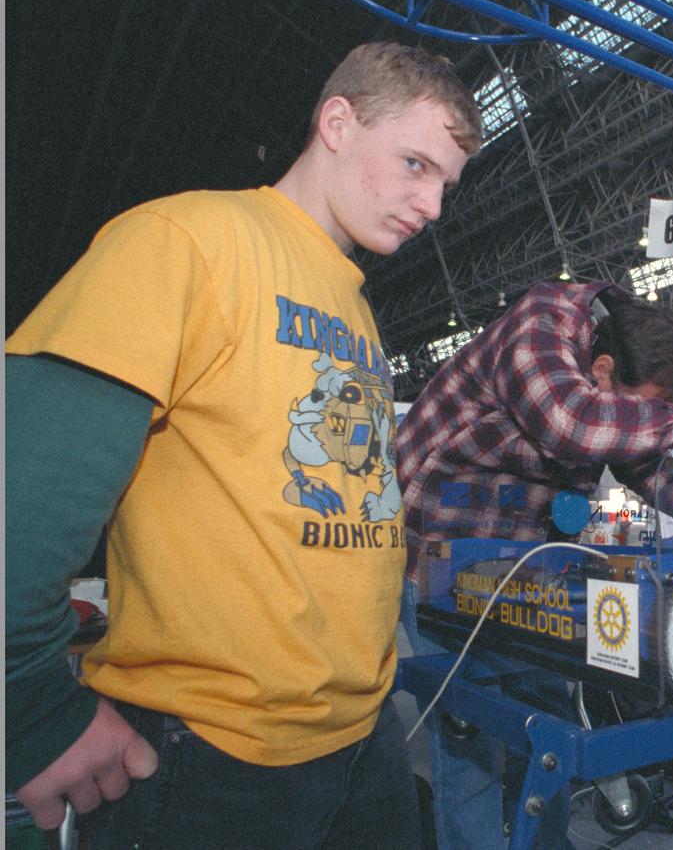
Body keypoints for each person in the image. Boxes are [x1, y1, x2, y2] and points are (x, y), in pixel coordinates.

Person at [6, 42, 483, 846]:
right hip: (212, 757)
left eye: (445, 184)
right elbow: (27, 488)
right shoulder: (186, 240)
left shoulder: (353, 304)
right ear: (337, 121)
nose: (432, 205)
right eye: (414, 163)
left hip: (364, 739)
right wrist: (29, 703)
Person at [396, 281, 673, 848]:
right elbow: (570, 425)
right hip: (437, 555)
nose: (641, 422)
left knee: (544, 723)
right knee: (468, 735)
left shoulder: (613, 371)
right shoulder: (539, 327)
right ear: (600, 369)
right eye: (636, 409)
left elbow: (640, 461)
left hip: (524, 564)